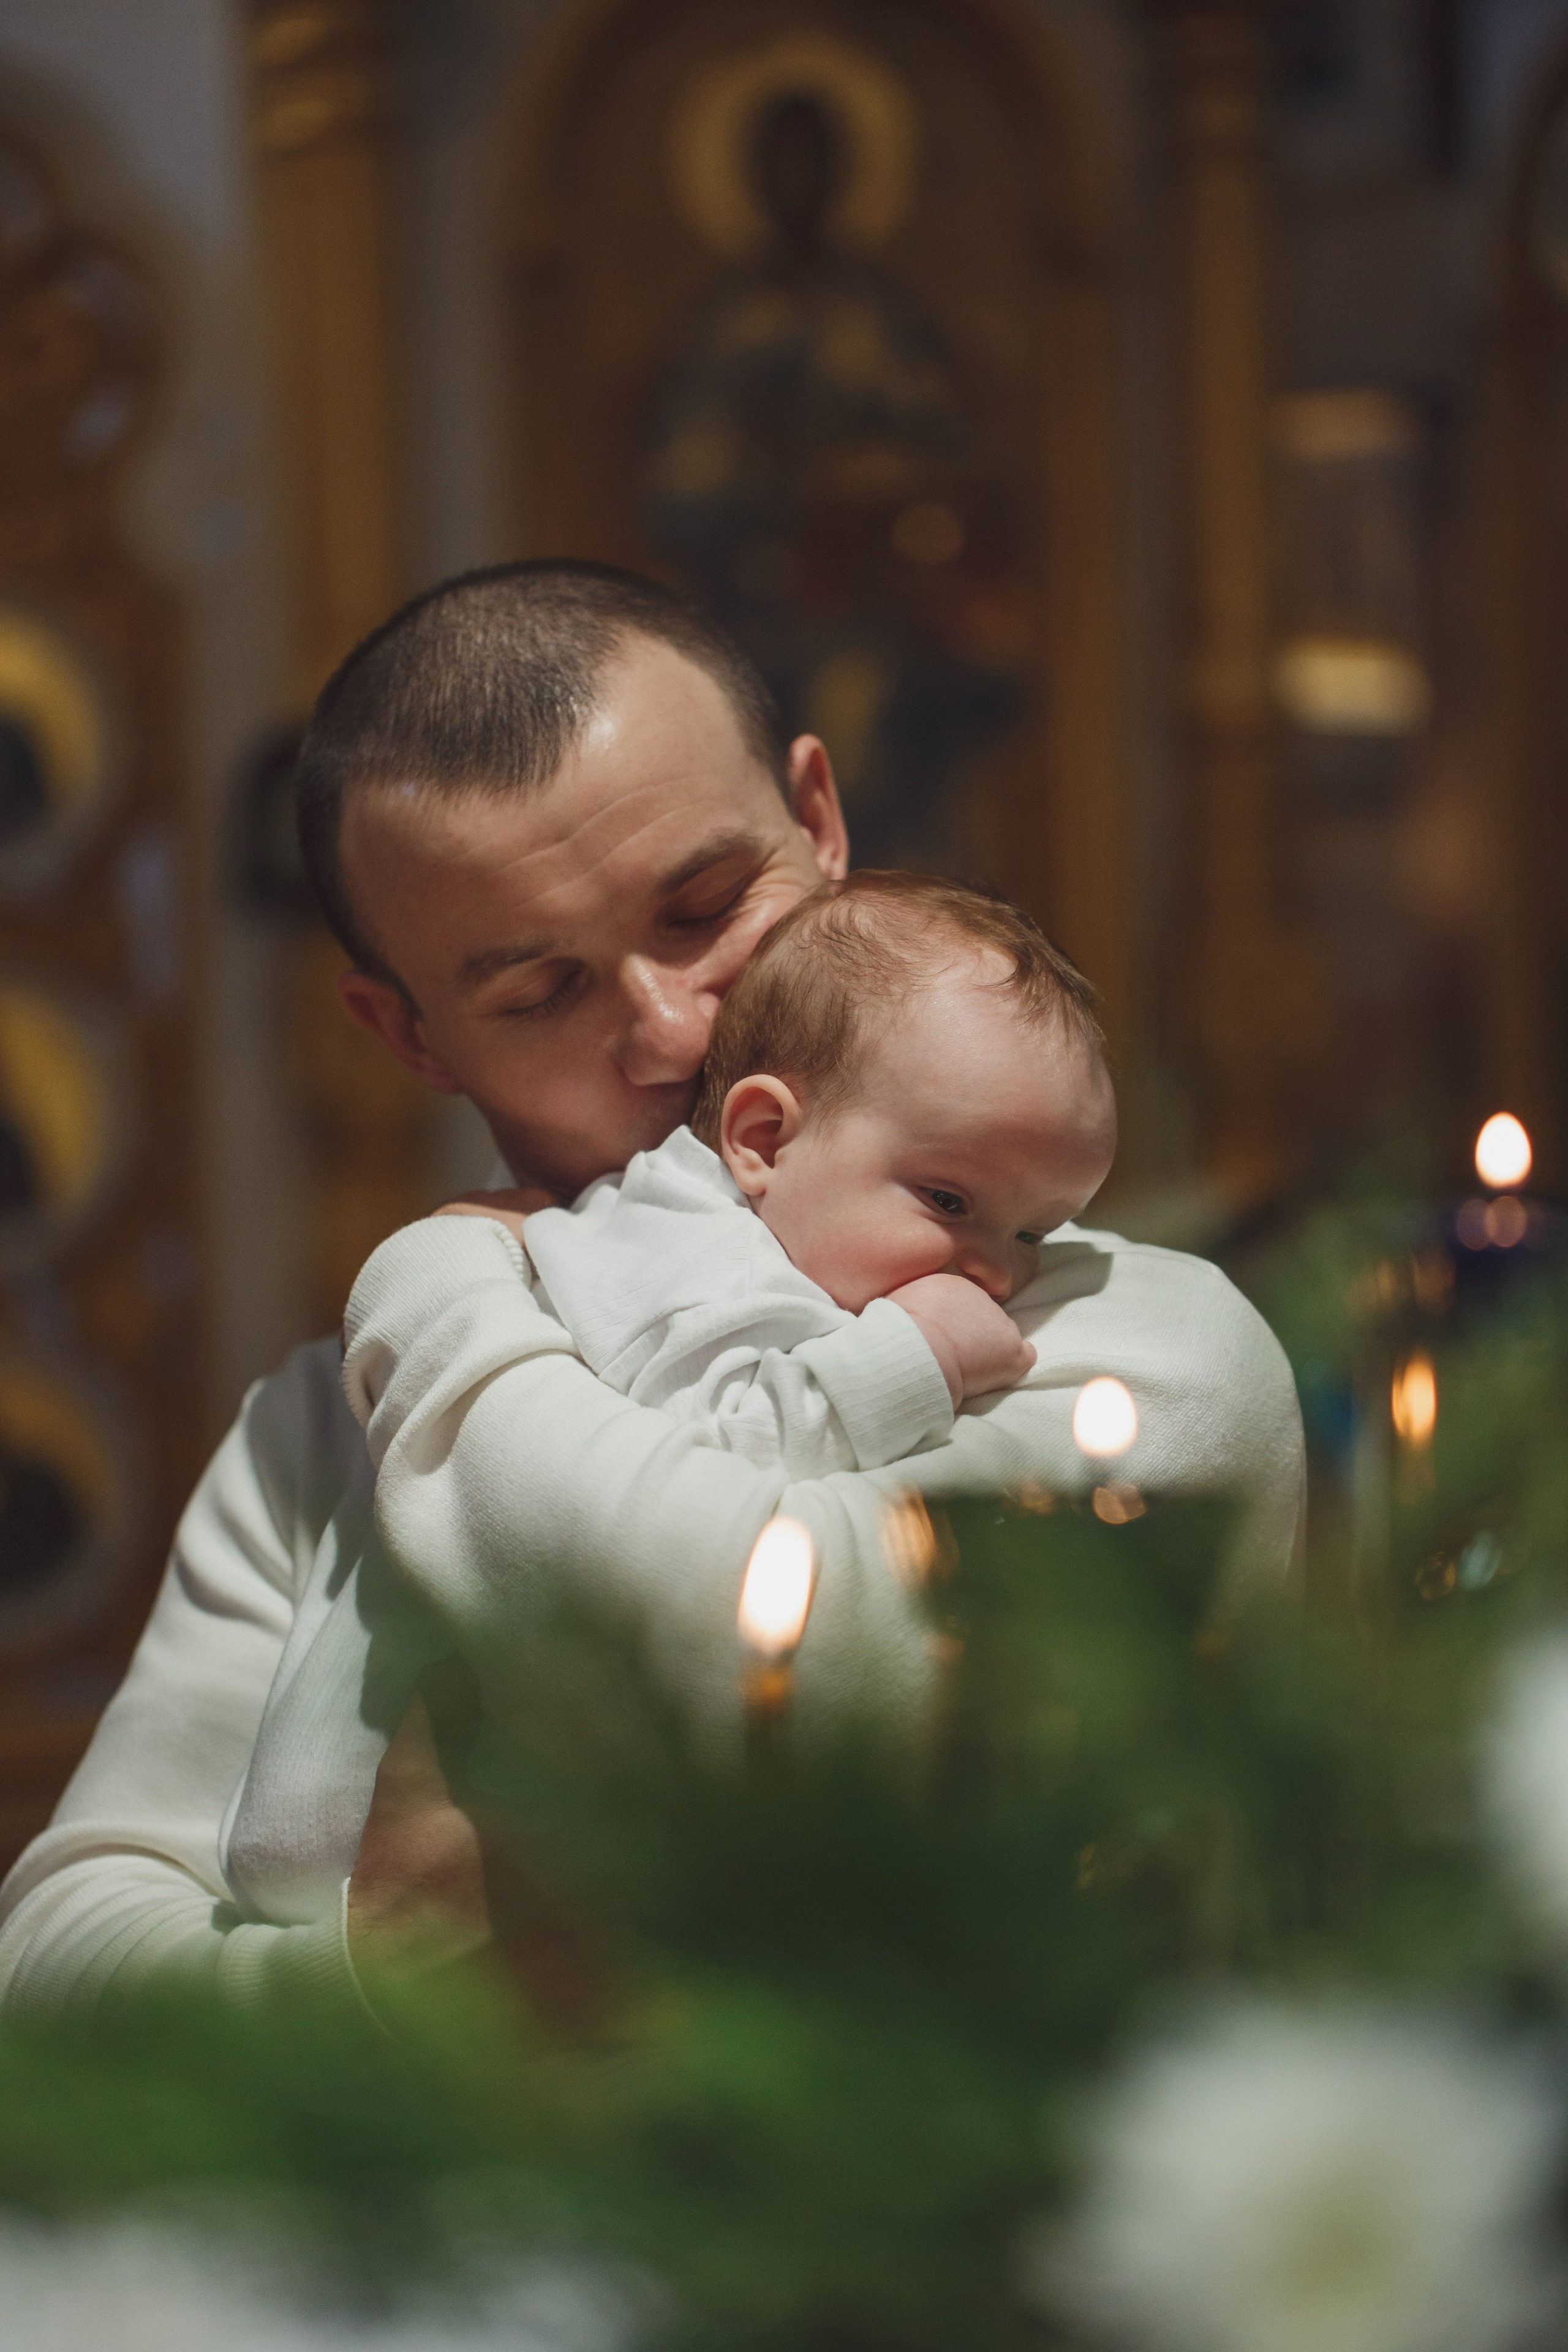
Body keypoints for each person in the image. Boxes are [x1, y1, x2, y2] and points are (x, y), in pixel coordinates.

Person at [0, 563, 1305, 2016]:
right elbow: (55, 1970)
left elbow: (780, 1685)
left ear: (817, 821)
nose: (674, 1031)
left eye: (702, 906)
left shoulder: (1124, 1337)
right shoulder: (319, 1426)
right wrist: (392, 1973)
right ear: (411, 1036)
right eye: (536, 993)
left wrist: (438, 1297)